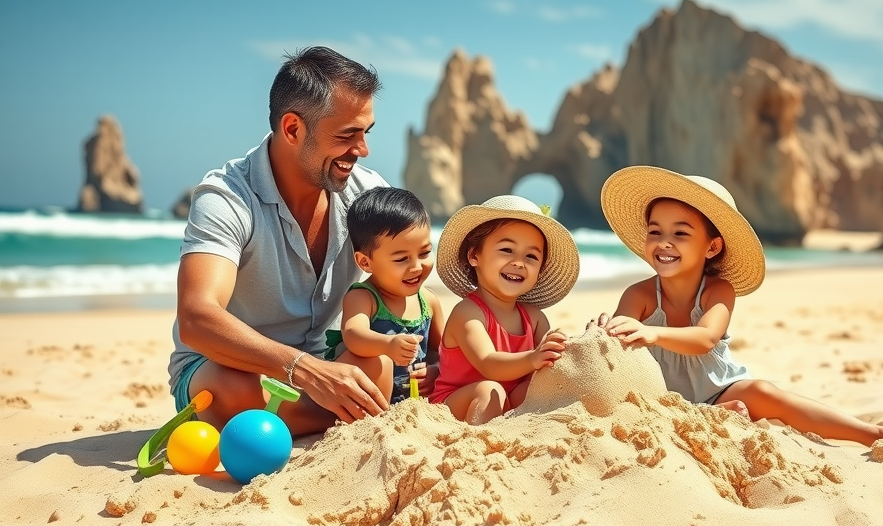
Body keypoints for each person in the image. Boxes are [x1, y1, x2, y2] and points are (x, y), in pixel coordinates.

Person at [596, 166, 883, 446]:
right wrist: (606, 331)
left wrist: (650, 333)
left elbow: (705, 338)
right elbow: (619, 344)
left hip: (717, 389)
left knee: (764, 392)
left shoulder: (718, 290)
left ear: (712, 247)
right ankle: (710, 415)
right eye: (655, 232)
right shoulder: (639, 294)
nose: (664, 242)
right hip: (660, 397)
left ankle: (876, 434)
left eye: (681, 234)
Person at [168, 46, 394, 436]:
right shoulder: (226, 197)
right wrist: (304, 371)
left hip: (328, 363)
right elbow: (196, 318)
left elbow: (403, 279)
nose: (362, 149)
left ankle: (289, 421)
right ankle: (346, 415)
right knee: (231, 390)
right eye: (347, 134)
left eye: (365, 133)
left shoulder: (368, 193)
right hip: (234, 369)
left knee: (378, 366)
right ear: (292, 129)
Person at [427, 195, 580, 424]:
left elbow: (548, 367)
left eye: (531, 256)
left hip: (509, 401)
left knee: (541, 386)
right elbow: (489, 364)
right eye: (507, 250)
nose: (519, 262)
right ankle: (478, 445)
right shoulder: (468, 312)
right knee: (491, 390)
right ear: (474, 255)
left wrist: (557, 349)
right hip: (457, 404)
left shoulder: (535, 318)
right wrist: (533, 358)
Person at [325, 187, 445, 404]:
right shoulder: (364, 297)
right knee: (380, 360)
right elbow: (354, 335)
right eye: (401, 259)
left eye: (425, 253)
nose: (417, 266)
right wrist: (387, 344)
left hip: (407, 401)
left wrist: (435, 369)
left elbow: (440, 350)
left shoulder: (428, 301)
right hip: (361, 392)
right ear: (365, 262)